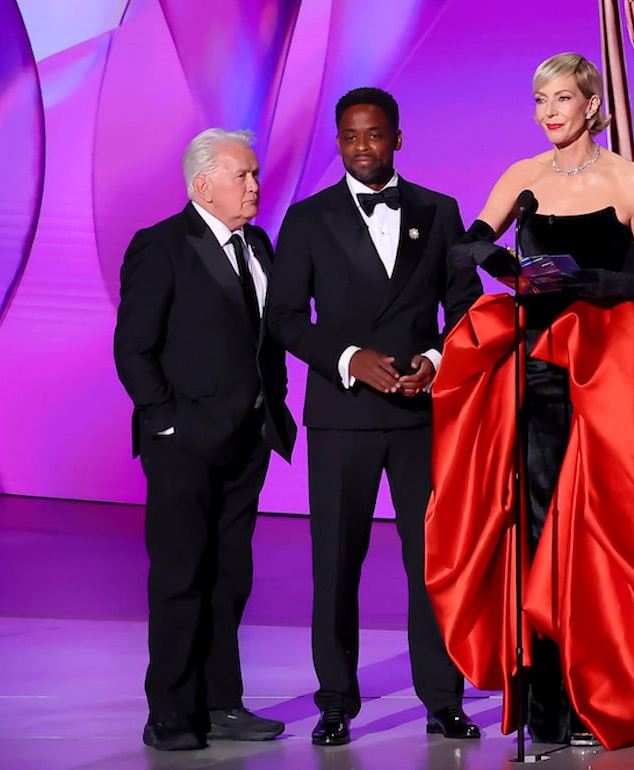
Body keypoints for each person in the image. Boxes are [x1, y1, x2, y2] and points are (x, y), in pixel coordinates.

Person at [424, 52, 634, 750]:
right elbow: (471, 246)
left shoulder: (628, 179)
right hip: (540, 373)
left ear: (592, 105)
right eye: (541, 99)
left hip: (608, 368)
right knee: (543, 526)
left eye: (563, 98)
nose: (550, 111)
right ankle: (547, 702)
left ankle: (597, 690)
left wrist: (606, 284)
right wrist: (488, 259)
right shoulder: (521, 179)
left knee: (602, 527)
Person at [266, 87, 483, 746]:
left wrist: (436, 360)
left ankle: (443, 699)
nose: (363, 147)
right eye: (351, 137)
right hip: (343, 416)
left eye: (375, 135)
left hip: (420, 417)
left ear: (397, 137)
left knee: (431, 563)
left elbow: (468, 307)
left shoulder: (439, 212)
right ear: (339, 141)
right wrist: (349, 357)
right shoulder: (307, 220)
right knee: (336, 564)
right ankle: (335, 702)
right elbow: (282, 318)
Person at [113, 128, 296, 751]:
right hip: (182, 443)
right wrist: (167, 421)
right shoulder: (161, 245)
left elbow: (267, 336)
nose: (254, 185)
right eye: (242, 175)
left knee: (229, 577)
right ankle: (169, 709)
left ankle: (222, 703)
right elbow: (133, 348)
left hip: (249, 438)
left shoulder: (260, 245)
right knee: (180, 575)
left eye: (254, 174)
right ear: (202, 185)